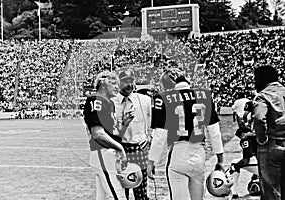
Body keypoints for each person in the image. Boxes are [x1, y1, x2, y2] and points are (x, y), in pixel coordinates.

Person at [147, 68, 224, 200]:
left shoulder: (163, 98)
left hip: (178, 152)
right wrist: (220, 159)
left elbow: (160, 135)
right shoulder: (205, 95)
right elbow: (215, 132)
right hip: (199, 153)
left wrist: (151, 161)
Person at [83, 71, 134, 200]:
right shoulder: (96, 100)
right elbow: (98, 134)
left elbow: (113, 134)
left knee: (103, 197)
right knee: (118, 195)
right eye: (113, 84)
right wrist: (120, 148)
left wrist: (125, 124)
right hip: (102, 152)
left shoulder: (109, 103)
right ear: (103, 85)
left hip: (107, 153)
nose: (118, 87)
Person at [111, 70, 152, 200]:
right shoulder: (111, 102)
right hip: (120, 149)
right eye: (125, 81)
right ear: (118, 83)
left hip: (139, 148)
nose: (129, 85)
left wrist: (149, 137)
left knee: (141, 190)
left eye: (131, 81)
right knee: (122, 190)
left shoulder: (145, 101)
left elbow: (154, 124)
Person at [253, 65, 285, 200]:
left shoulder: (263, 95)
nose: (255, 82)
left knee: (271, 191)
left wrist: (261, 139)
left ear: (262, 79)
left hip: (273, 145)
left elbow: (259, 117)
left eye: (256, 79)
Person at [228, 99, 259, 198]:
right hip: (273, 162)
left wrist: (235, 167)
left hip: (262, 165)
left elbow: (246, 160)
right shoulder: (259, 127)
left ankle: (234, 193)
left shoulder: (246, 138)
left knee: (234, 164)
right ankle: (256, 179)